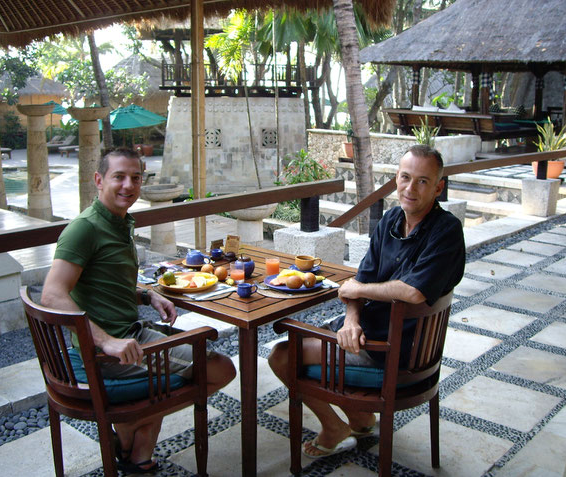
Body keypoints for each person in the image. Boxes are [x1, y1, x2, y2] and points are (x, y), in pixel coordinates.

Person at [41, 147, 236, 474]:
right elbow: (51, 295)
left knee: (184, 359)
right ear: (99, 180)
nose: (128, 185)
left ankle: (136, 444)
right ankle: (133, 435)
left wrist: (147, 296)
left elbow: (104, 284)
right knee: (220, 369)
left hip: (131, 335)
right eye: (119, 177)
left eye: (135, 178)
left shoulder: (119, 223)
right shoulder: (84, 228)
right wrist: (106, 342)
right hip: (107, 353)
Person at [268, 144, 465, 458]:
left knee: (281, 356)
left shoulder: (446, 231)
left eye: (423, 181)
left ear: (438, 187)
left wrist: (358, 292)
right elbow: (362, 280)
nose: (410, 188)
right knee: (301, 337)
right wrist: (351, 319)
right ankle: (360, 418)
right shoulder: (390, 220)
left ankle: (335, 427)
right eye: (405, 177)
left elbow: (412, 292)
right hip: (369, 332)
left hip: (393, 354)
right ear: (396, 178)